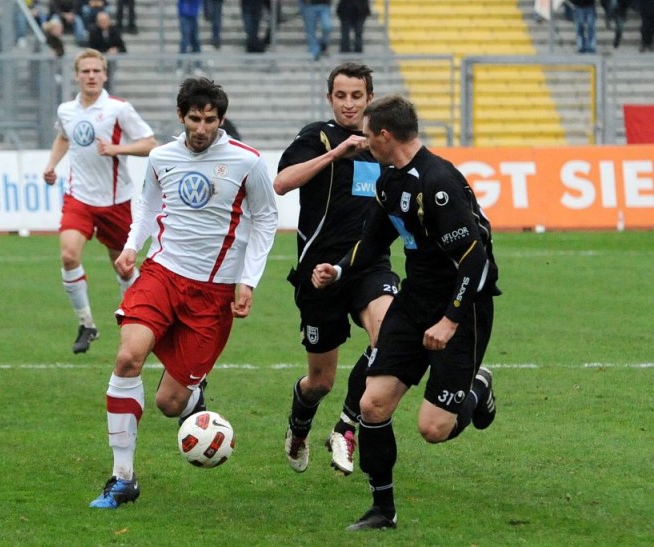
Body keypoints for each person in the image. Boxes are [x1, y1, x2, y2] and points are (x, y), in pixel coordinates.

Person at [88, 77, 278, 509]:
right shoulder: (161, 157)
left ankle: (193, 392)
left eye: (210, 120)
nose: (202, 128)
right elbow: (148, 206)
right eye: (194, 119)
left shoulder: (247, 161)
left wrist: (248, 279)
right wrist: (132, 247)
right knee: (128, 357)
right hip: (163, 274)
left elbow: (266, 218)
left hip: (213, 291)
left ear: (221, 119)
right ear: (181, 116)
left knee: (170, 404)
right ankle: (122, 478)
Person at [312, 94, 500, 530]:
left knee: (434, 429)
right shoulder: (389, 180)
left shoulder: (438, 184)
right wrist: (338, 269)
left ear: (384, 135)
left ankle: (479, 388)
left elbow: (475, 260)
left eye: (366, 135)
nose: (361, 142)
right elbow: (373, 241)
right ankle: (383, 509)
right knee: (372, 404)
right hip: (414, 301)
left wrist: (450, 320)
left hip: (462, 305)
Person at [275, 63, 399, 476]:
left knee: (389, 334)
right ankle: (299, 426)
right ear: (329, 98)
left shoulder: (383, 144)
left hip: (368, 267)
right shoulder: (318, 137)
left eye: (356, 96)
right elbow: (282, 183)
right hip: (319, 275)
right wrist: (335, 154)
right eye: (341, 96)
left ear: (370, 99)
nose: (349, 104)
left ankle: (346, 426)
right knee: (320, 382)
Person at [42, 49, 157, 354]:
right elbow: (64, 136)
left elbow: (150, 144)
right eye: (85, 71)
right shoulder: (67, 110)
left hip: (115, 201)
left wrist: (117, 149)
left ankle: (138, 320)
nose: (91, 76)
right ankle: (87, 324)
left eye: (96, 71)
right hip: (79, 197)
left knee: (124, 267)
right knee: (69, 255)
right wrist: (51, 165)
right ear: (76, 76)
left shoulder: (119, 109)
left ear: (105, 75)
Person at [88, 10, 127, 93]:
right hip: (98, 62)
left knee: (110, 76)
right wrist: (106, 51)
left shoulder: (114, 31)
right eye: (101, 21)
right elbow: (92, 49)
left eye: (105, 20)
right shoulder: (93, 32)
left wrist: (116, 50)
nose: (103, 23)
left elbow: (123, 48)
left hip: (111, 62)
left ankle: (109, 92)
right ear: (97, 22)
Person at [177, 0, 202, 72]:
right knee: (185, 39)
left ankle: (197, 65)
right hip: (184, 14)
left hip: (194, 14)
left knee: (195, 40)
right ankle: (181, 64)